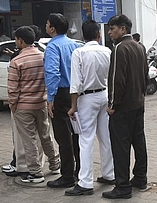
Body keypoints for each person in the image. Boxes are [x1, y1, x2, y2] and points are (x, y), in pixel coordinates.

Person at [65, 20, 114, 196]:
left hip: (86, 98)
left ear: (83, 36)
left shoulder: (79, 53)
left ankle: (85, 182)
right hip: (104, 95)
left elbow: (75, 83)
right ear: (98, 35)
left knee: (85, 139)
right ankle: (109, 174)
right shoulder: (107, 51)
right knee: (105, 136)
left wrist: (73, 106)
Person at [103, 14, 148, 200]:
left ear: (123, 29)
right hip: (138, 103)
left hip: (123, 107)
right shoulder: (138, 46)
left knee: (120, 147)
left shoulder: (120, 48)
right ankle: (140, 178)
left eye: (112, 29)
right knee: (138, 142)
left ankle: (122, 186)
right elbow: (146, 75)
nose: (109, 32)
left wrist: (112, 104)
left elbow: (116, 80)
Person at [7, 26, 60, 184]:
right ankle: (55, 164)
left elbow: (12, 88)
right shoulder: (43, 56)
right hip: (41, 103)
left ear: (21, 41)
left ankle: (36, 173)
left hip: (23, 106)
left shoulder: (17, 61)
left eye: (16, 39)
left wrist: (13, 105)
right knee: (45, 135)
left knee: (29, 139)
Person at [44, 13, 80, 189]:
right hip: (74, 92)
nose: (46, 26)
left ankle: (67, 175)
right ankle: (80, 171)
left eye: (47, 24)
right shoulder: (73, 45)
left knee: (63, 136)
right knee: (76, 134)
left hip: (60, 92)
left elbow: (52, 73)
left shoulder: (52, 47)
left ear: (52, 28)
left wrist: (50, 99)